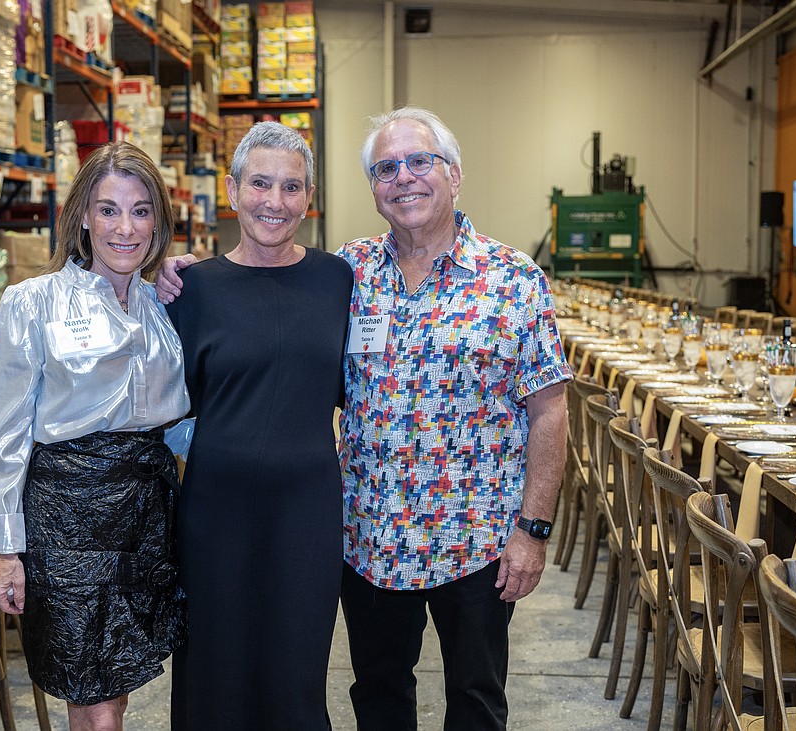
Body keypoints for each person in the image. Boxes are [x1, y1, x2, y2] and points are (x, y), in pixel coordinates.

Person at [157, 107, 570, 730]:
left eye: (419, 162)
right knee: (377, 697)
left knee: (477, 701)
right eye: (385, 168)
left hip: (477, 537)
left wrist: (532, 531)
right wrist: (173, 270)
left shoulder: (513, 279)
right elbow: (259, 325)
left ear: (454, 174)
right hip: (370, 536)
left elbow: (550, 409)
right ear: (372, 187)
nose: (403, 178)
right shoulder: (350, 275)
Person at [0, 141, 191, 731]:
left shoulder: (165, 307)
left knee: (115, 689)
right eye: (108, 209)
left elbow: (184, 419)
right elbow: (1, 439)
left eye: (141, 210)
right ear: (82, 217)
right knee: (91, 697)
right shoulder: (30, 304)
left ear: (159, 222)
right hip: (67, 516)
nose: (125, 228)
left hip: (147, 514)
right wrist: (6, 549)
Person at [165, 121, 353, 730]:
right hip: (215, 511)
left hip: (307, 511)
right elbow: (162, 407)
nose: (274, 202)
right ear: (233, 189)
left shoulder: (338, 281)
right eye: (261, 184)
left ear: (309, 196)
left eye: (291, 187)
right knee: (212, 671)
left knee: (296, 673)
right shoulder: (191, 288)